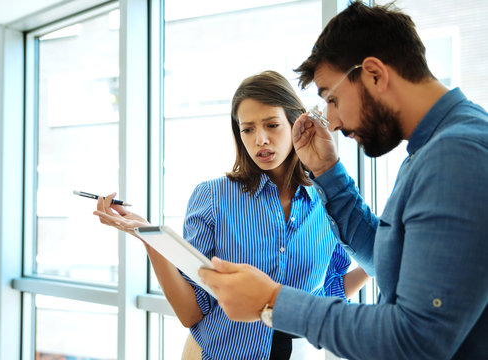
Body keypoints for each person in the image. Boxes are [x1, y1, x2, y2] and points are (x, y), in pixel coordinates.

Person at [198, 2, 488, 360]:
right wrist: (327, 172)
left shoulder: (456, 156)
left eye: (332, 99)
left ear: (374, 74)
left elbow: (415, 339)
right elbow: (388, 263)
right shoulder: (434, 149)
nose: (331, 121)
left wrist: (274, 300)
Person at [94, 70, 369, 360]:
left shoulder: (328, 201)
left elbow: (331, 290)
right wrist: (150, 238)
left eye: (272, 125)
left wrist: (382, 260)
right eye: (247, 129)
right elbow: (191, 312)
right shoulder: (212, 198)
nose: (260, 139)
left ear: (295, 122)